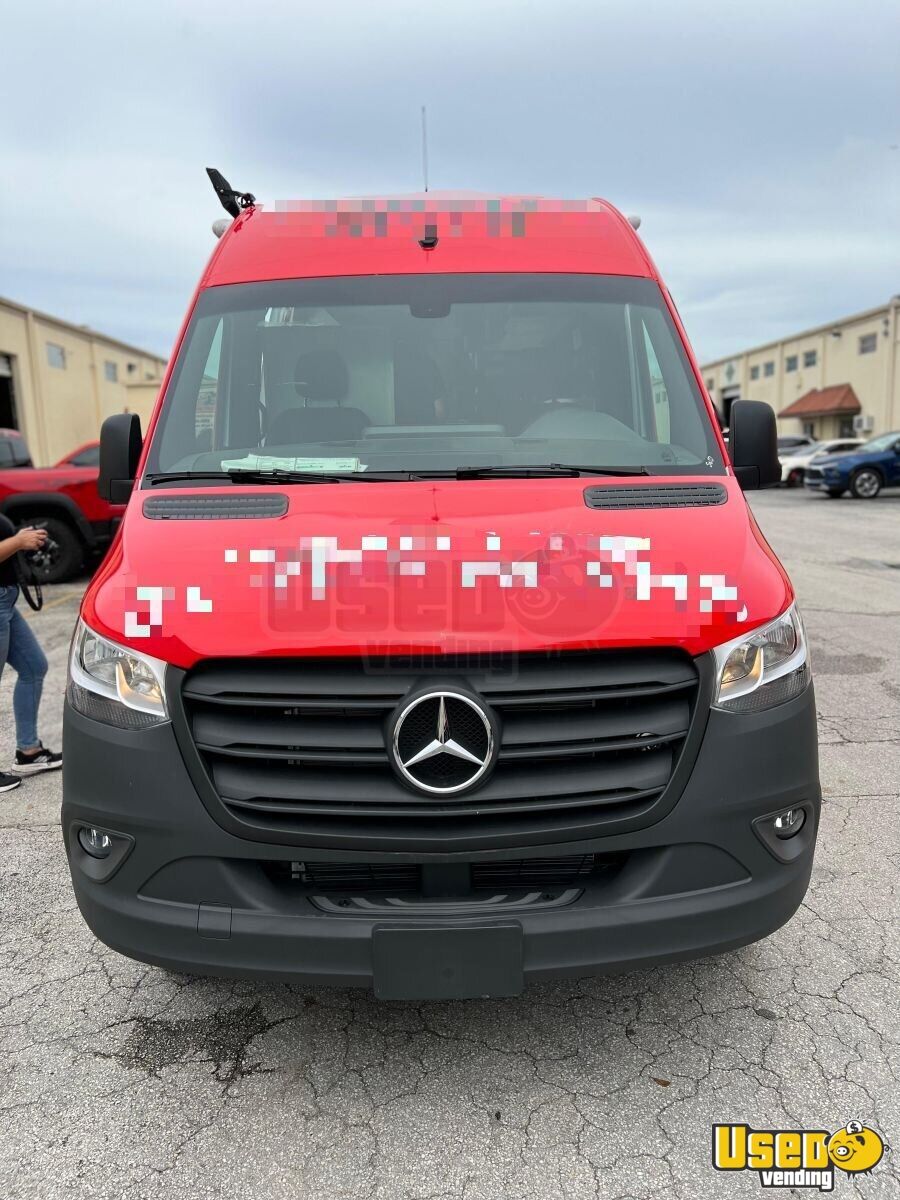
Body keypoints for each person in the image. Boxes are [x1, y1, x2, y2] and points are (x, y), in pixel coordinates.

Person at [0, 514, 62, 793]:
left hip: (6, 601)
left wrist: (22, 538)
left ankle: (29, 751)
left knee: (34, 667)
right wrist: (17, 541)